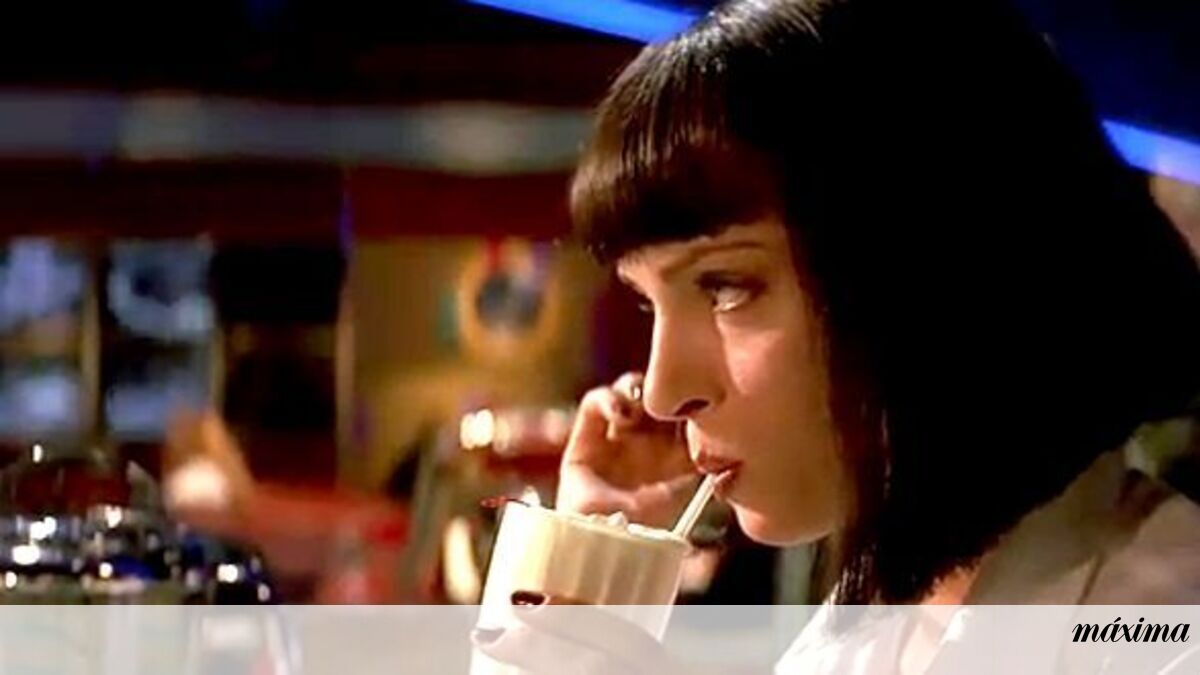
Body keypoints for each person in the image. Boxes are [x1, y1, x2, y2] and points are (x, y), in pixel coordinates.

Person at [472, 0, 1200, 671]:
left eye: (726, 287)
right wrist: (587, 562)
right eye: (647, 305)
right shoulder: (871, 619)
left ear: (924, 277)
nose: (662, 393)